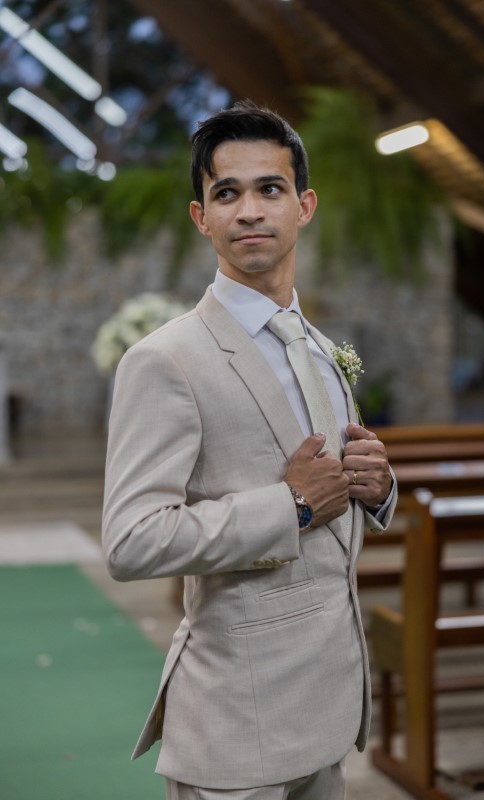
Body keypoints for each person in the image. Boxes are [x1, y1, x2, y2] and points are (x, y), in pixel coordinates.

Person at [102, 100, 397, 800]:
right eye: (226, 194)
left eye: (270, 188)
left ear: (304, 205)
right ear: (201, 217)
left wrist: (376, 487)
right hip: (237, 722)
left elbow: (335, 509)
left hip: (328, 712)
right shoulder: (165, 359)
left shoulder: (321, 349)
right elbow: (131, 542)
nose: (250, 211)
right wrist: (291, 507)